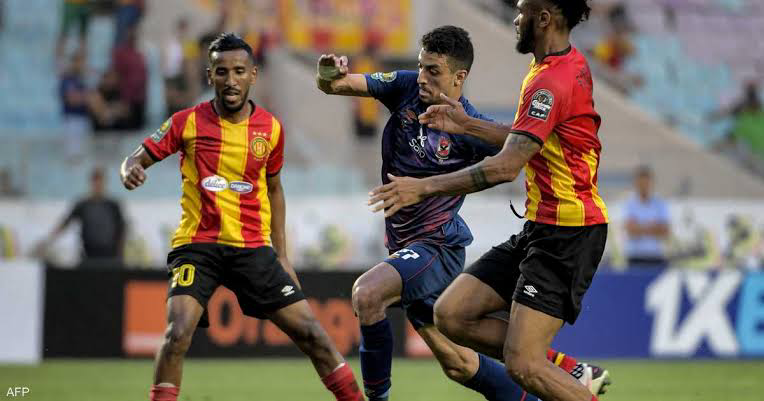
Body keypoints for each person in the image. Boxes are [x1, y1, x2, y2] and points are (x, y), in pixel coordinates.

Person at [318, 25, 606, 401]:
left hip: (437, 246)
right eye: (420, 67)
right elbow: (337, 85)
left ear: (459, 77)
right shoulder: (404, 87)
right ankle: (568, 370)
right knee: (459, 362)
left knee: (368, 294)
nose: (422, 77)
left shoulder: (470, 125)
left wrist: (427, 181)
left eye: (433, 71)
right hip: (402, 248)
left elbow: (514, 157)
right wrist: (328, 74)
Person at [120, 33, 363, 401]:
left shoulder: (271, 129)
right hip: (198, 246)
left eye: (238, 71)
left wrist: (282, 256)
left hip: (252, 249)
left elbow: (275, 190)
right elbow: (135, 158)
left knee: (312, 333)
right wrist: (130, 169)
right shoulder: (186, 122)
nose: (230, 80)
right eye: (222, 72)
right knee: (177, 332)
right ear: (210, 76)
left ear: (253, 75)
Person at [36, 167, 126, 264]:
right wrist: (47, 242)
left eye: (100, 182)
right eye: (95, 182)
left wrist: (120, 253)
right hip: (88, 254)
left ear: (104, 183)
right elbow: (65, 223)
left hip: (110, 255)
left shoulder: (113, 205)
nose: (98, 185)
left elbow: (122, 229)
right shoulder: (83, 205)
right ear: (91, 183)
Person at [623, 166, 671, 268]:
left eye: (646, 183)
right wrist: (653, 227)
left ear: (651, 183)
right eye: (641, 183)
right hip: (635, 256)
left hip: (655, 256)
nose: (644, 186)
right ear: (636, 183)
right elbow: (631, 231)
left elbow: (665, 231)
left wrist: (640, 227)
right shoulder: (629, 204)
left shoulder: (660, 203)